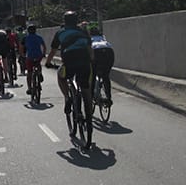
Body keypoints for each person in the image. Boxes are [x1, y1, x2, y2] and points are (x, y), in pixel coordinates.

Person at [44, 10, 94, 147]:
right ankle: (88, 107)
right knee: (85, 87)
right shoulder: (83, 32)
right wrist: (91, 60)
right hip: (84, 63)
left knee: (61, 76)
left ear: (64, 21)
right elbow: (90, 49)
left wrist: (47, 63)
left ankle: (67, 97)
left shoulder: (60, 33)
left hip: (69, 63)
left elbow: (53, 51)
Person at [90, 26, 115, 106]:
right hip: (109, 51)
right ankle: (109, 98)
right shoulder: (103, 37)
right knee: (106, 76)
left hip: (96, 51)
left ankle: (90, 97)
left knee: (92, 75)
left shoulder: (89, 38)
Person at [21, 24, 46, 95]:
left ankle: (29, 88)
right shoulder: (39, 37)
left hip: (30, 56)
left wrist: (22, 54)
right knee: (38, 64)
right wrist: (43, 54)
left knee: (29, 72)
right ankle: (39, 73)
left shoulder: (25, 38)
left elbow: (21, 47)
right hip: (38, 55)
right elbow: (44, 46)